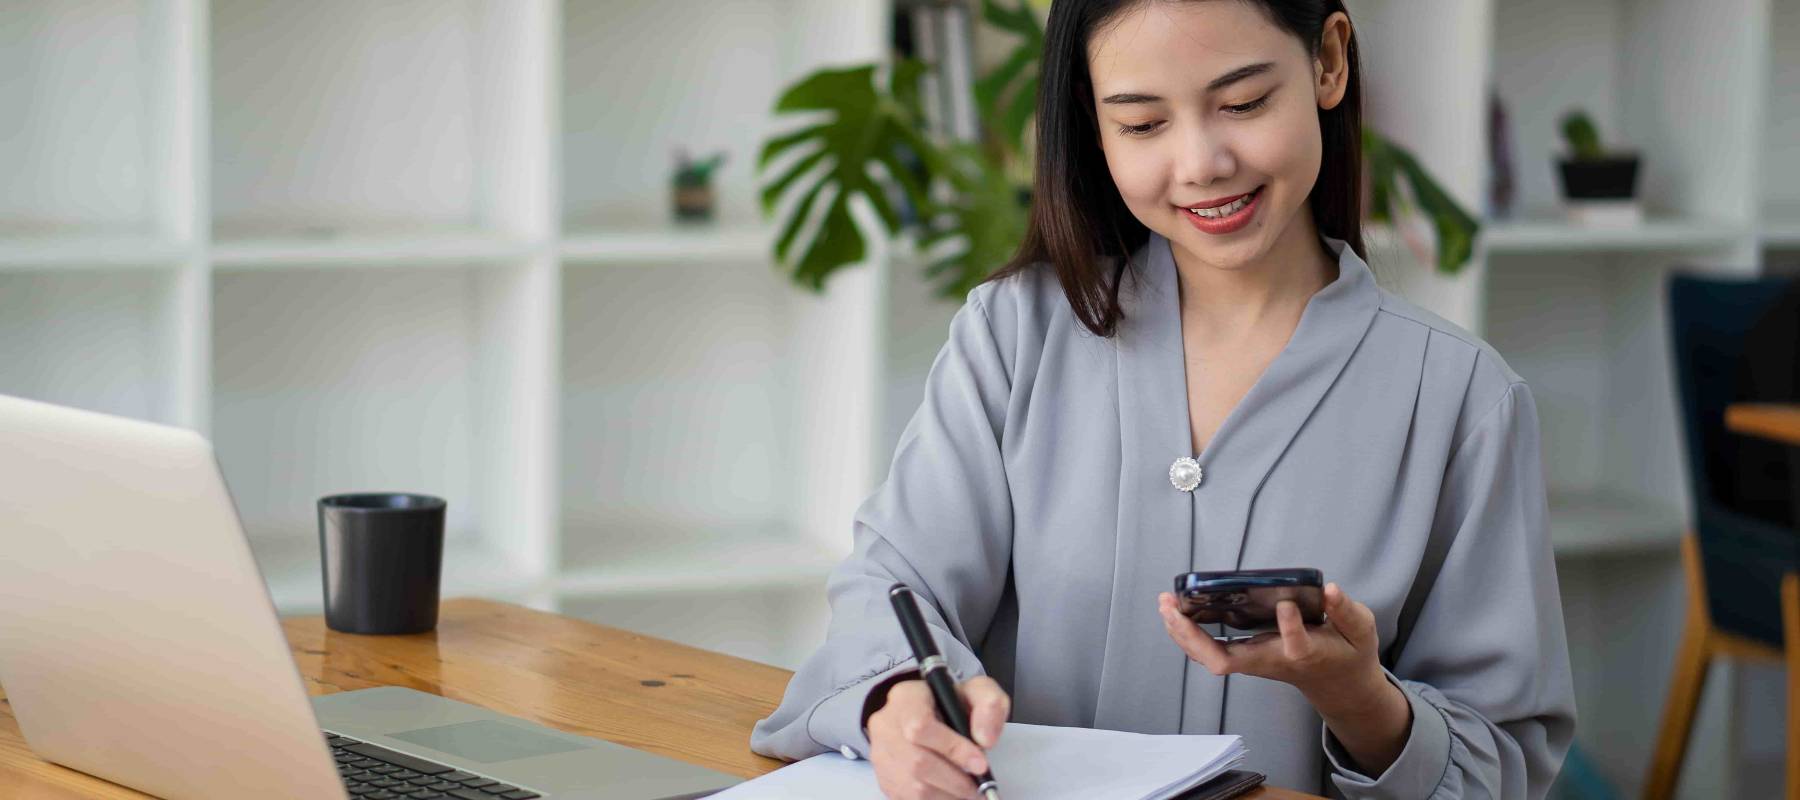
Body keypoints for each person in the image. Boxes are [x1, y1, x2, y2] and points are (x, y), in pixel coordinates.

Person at [750, 1, 1576, 798]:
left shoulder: (1463, 398)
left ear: (1327, 61)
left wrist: (1359, 695)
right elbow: (889, 592)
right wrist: (897, 707)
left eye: (1245, 102)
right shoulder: (1013, 336)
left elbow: (1496, 766)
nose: (1201, 163)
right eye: (1142, 124)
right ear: (1093, 120)